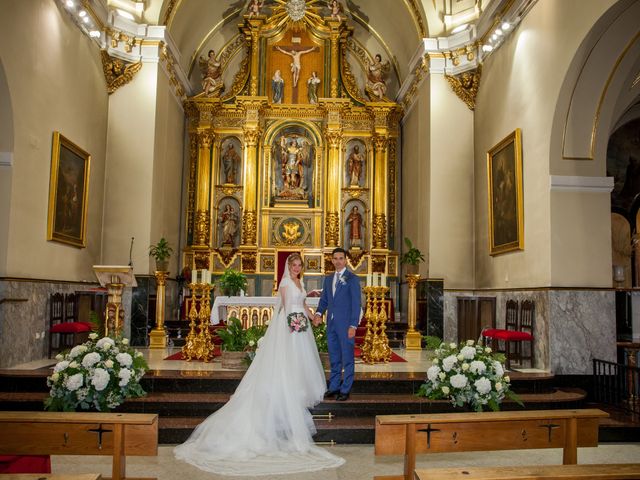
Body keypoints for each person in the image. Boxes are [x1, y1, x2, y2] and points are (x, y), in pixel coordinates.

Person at [175, 254, 345, 475]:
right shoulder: (285, 283)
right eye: (293, 265)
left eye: (299, 265)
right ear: (288, 267)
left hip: (301, 326)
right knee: (289, 361)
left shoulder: (299, 282)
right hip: (290, 327)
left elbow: (302, 304)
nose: (296, 268)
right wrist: (293, 325)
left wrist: (312, 317)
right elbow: (283, 309)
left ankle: (296, 389)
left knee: (301, 361)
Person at [313, 248, 362, 401]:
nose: (338, 261)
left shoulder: (352, 279)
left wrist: (353, 325)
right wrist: (319, 313)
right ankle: (334, 387)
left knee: (347, 357)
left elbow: (356, 304)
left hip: (346, 325)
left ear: (346, 260)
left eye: (341, 258)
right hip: (332, 324)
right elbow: (325, 300)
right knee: (334, 357)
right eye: (336, 258)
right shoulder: (328, 279)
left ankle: (345, 389)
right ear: (332, 260)